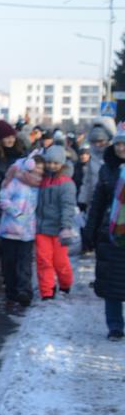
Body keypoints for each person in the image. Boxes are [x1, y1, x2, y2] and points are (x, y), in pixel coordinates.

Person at [86, 131, 125, 339]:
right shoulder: (107, 169)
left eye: (124, 145)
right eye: (118, 144)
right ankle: (115, 326)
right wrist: (90, 231)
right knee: (112, 283)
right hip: (110, 234)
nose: (121, 148)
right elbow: (98, 203)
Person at [0, 155, 43, 310]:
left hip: (27, 232)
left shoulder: (39, 186)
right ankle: (10, 291)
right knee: (9, 263)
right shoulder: (15, 181)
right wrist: (17, 213)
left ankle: (24, 291)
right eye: (36, 168)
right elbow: (3, 198)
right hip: (10, 229)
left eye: (41, 169)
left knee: (24, 263)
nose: (38, 172)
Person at [36, 144, 79, 300]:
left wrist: (65, 226)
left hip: (59, 229)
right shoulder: (43, 180)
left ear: (62, 164)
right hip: (41, 228)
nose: (52, 166)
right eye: (49, 162)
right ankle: (47, 291)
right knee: (43, 261)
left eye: (55, 163)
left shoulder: (66, 183)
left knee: (60, 263)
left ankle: (65, 284)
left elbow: (68, 206)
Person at [0, 120, 24, 283]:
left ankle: (8, 272)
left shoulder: (21, 151)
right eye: (6, 137)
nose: (10, 140)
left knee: (10, 236)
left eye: (11, 137)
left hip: (15, 197)